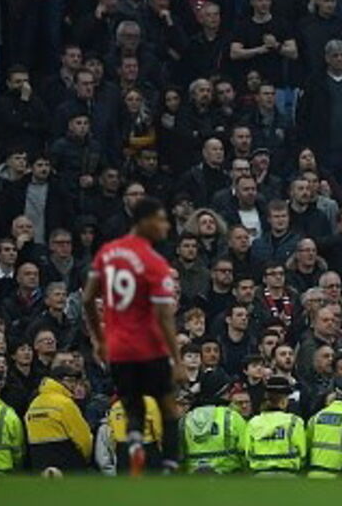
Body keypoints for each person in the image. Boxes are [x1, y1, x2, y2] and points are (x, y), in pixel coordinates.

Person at [82, 196, 184, 475]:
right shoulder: (155, 263)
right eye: (161, 219)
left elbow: (88, 298)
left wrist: (99, 338)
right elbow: (164, 317)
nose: (165, 226)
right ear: (146, 221)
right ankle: (170, 465)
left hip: (117, 348)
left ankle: (135, 444)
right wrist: (176, 360)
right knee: (168, 409)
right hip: (150, 347)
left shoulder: (106, 253)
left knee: (132, 406)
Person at [25, 364, 93, 473]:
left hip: (39, 463)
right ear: (57, 381)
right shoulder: (65, 403)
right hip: (67, 464)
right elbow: (83, 439)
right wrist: (85, 459)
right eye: (70, 381)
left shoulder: (34, 403)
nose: (73, 385)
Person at [181, 370, 247, 474]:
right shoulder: (232, 417)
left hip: (193, 480)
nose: (230, 393)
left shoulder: (186, 418)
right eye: (228, 390)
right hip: (228, 479)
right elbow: (245, 451)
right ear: (221, 392)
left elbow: (179, 454)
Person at [242, 374, 308, 474]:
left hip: (260, 477)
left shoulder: (253, 422)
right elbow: (302, 452)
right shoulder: (294, 422)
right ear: (284, 400)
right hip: (288, 477)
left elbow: (247, 453)